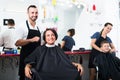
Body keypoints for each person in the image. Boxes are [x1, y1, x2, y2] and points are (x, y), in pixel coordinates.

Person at [15, 5, 41, 80]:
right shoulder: (22, 26)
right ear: (28, 13)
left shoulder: (39, 26)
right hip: (26, 58)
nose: (34, 15)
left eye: (36, 13)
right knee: (25, 77)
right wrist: (31, 40)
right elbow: (17, 43)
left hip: (37, 58)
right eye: (32, 12)